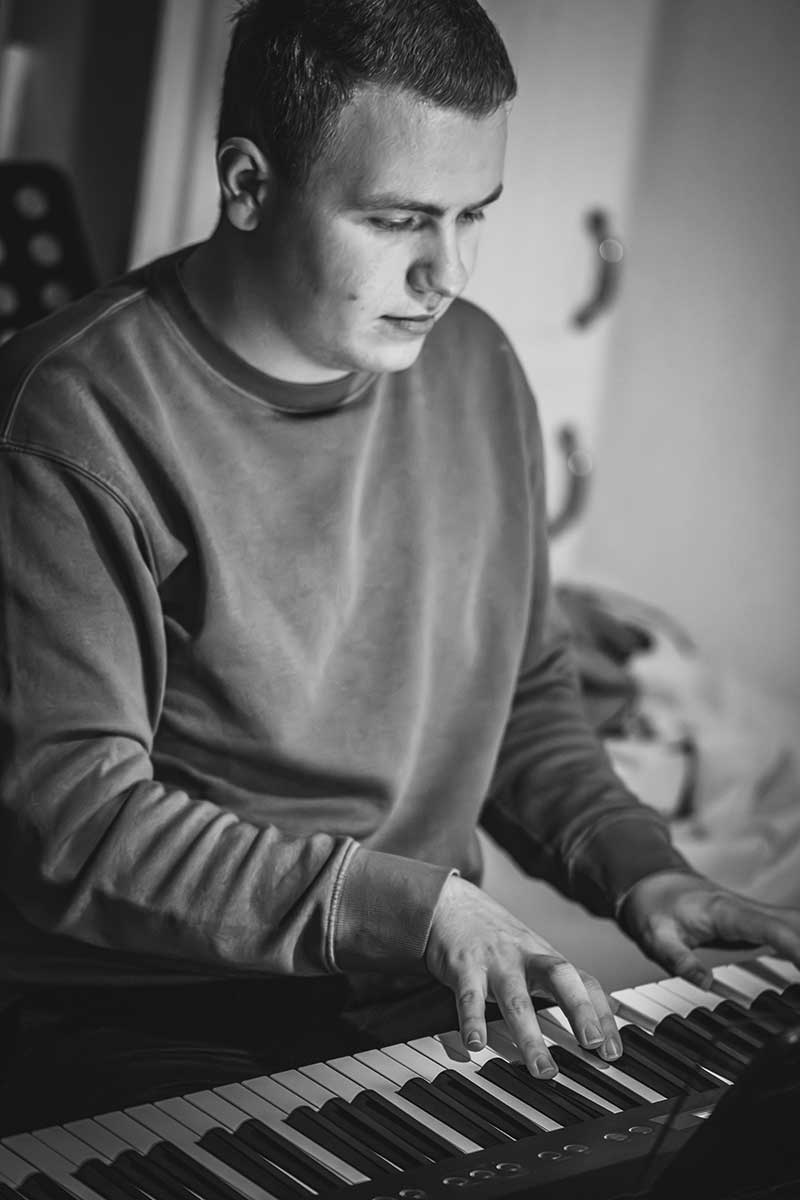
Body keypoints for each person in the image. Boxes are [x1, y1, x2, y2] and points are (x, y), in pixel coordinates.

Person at [0, 0, 798, 1136]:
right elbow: (73, 824)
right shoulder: (68, 418)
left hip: (408, 979)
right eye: (397, 219)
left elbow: (520, 696)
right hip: (142, 1005)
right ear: (247, 184)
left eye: (474, 215)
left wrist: (639, 871)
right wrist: (411, 908)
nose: (446, 272)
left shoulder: (474, 365)